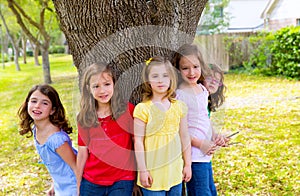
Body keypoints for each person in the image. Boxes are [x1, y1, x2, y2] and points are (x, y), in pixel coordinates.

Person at [134, 56, 192, 196]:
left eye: (165, 76)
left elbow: (184, 137)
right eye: (155, 76)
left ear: (171, 78)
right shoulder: (143, 109)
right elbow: (138, 142)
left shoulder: (179, 107)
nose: (160, 80)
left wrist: (188, 165)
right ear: (148, 80)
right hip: (152, 174)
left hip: (175, 172)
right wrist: (142, 170)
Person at [173, 44, 226, 196]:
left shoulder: (202, 90)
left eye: (195, 66)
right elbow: (178, 130)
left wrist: (214, 136)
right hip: (193, 156)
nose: (191, 72)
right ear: (178, 70)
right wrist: (200, 144)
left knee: (210, 191)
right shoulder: (180, 95)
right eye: (185, 68)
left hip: (206, 155)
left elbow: (204, 118)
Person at [76, 62, 136, 196]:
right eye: (96, 86)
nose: (102, 91)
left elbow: (136, 146)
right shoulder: (84, 118)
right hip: (92, 180)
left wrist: (137, 180)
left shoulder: (127, 110)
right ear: (88, 89)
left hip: (122, 179)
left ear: (114, 84)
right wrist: (78, 183)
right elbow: (82, 153)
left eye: (107, 84)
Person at [18, 84, 77, 196]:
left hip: (73, 185)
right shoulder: (36, 130)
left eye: (44, 103)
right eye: (34, 101)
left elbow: (76, 167)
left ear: (52, 110)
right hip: (61, 185)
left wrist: (79, 190)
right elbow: (56, 163)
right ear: (27, 104)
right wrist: (54, 184)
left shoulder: (56, 139)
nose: (37, 106)